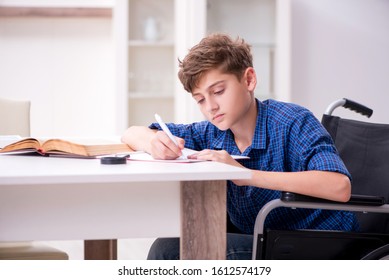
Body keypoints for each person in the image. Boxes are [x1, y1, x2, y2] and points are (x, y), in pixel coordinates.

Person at [121, 33, 359, 260]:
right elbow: (131, 133)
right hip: (267, 239)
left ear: (249, 80)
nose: (210, 107)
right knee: (174, 242)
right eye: (201, 99)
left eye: (218, 91)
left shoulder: (292, 121)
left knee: (169, 251)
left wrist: (244, 174)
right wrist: (153, 141)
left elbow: (339, 186)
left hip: (319, 244)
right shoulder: (212, 132)